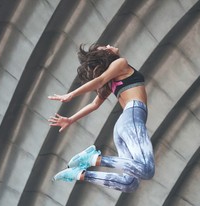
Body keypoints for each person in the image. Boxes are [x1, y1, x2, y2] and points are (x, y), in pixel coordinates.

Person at [48, 43, 155, 193]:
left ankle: (79, 174)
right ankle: (92, 159)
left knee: (129, 184)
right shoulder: (120, 63)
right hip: (132, 117)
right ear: (105, 56)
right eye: (105, 47)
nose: (109, 45)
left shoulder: (110, 82)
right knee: (147, 169)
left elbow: (94, 104)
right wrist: (71, 94)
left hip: (123, 126)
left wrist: (71, 119)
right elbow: (99, 81)